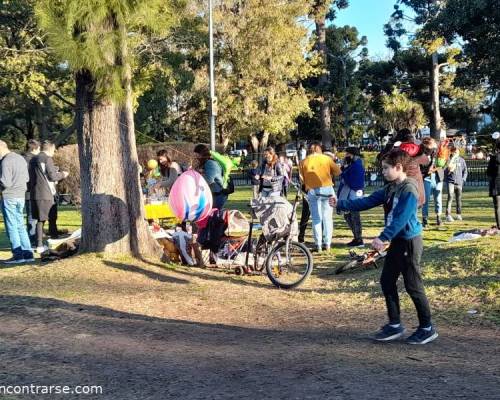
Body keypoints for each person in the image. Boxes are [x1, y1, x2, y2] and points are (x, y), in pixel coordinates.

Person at [332, 149, 437, 344]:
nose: (383, 172)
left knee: (413, 285)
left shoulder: (409, 189)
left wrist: (383, 237)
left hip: (409, 241)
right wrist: (341, 203)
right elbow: (367, 201)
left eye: (386, 168)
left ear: (399, 168)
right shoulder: (391, 188)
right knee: (387, 280)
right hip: (397, 241)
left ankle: (427, 327)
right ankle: (395, 325)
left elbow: (402, 218)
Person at [300, 142, 341, 252]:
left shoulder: (303, 161)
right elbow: (338, 171)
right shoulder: (326, 159)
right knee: (327, 218)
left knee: (316, 218)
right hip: (327, 188)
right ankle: (327, 244)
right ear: (320, 149)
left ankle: (318, 244)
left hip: (312, 190)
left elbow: (302, 179)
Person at [30, 141, 69, 253]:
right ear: (50, 149)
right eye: (54, 149)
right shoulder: (47, 159)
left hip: (35, 193)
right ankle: (53, 240)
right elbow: (52, 176)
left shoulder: (33, 159)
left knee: (40, 220)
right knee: (52, 218)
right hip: (46, 193)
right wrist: (63, 174)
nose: (54, 152)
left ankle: (39, 244)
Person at [0, 140, 35, 264]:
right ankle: (28, 254)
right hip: (20, 195)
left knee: (11, 226)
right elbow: (26, 178)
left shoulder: (5, 161)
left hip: (9, 196)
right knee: (20, 225)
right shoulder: (20, 158)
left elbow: (5, 182)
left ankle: (18, 255)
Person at [337, 146, 365, 247]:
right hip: (351, 193)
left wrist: (343, 173)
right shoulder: (353, 164)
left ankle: (359, 239)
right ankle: (357, 237)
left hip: (354, 194)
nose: (346, 156)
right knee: (349, 216)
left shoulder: (356, 165)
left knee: (354, 216)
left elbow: (352, 181)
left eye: (347, 154)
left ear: (352, 155)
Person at [419, 137, 444, 227]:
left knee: (438, 198)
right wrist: (426, 171)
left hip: (437, 177)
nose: (431, 149)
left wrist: (437, 167)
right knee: (425, 200)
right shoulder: (421, 154)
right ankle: (425, 219)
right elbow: (420, 167)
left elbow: (445, 162)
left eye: (432, 147)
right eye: (428, 147)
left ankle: (439, 218)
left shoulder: (438, 151)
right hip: (426, 177)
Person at [193, 144, 227, 210]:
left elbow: (209, 180)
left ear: (202, 154)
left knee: (212, 216)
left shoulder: (210, 163)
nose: (195, 157)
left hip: (217, 195)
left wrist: (199, 173)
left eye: (197, 154)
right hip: (210, 194)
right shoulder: (203, 164)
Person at [23, 139, 40, 241]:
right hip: (31, 190)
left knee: (32, 215)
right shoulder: (32, 160)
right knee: (32, 216)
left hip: (28, 190)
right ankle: (32, 237)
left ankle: (33, 236)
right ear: (36, 148)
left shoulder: (23, 158)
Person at [445, 146, 467, 222]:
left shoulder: (462, 160)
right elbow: (445, 170)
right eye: (455, 152)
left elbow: (465, 171)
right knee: (450, 197)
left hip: (459, 183)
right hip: (450, 182)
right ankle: (448, 215)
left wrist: (463, 180)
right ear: (452, 152)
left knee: (459, 199)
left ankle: (459, 214)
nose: (456, 153)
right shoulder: (449, 160)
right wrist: (449, 170)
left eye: (457, 152)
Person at [487, 139, 500, 229]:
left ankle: (499, 225)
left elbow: (488, 172)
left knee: (497, 207)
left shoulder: (493, 158)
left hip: (495, 184)